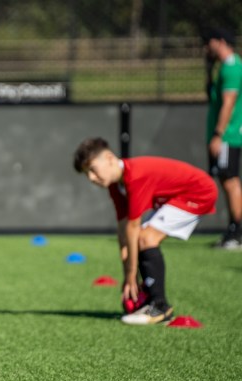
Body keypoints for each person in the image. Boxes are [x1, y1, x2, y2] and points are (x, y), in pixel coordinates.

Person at [73, 137, 217, 325]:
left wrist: (131, 274)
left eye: (92, 169)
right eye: (86, 174)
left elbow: (133, 227)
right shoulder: (115, 185)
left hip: (199, 192)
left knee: (145, 238)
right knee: (140, 238)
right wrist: (127, 272)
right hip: (174, 197)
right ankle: (149, 298)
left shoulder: (135, 176)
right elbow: (123, 227)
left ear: (109, 158)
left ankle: (160, 306)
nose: (91, 178)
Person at [203, 28, 242, 248]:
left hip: (227, 135)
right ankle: (234, 229)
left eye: (208, 42)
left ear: (220, 42)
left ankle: (237, 231)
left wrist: (218, 135)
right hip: (224, 135)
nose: (206, 47)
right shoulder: (223, 68)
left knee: (230, 180)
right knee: (226, 180)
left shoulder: (232, 67)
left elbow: (229, 103)